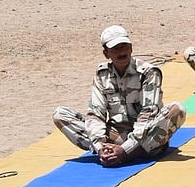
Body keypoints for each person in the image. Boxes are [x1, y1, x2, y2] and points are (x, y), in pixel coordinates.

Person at [53, 25, 186, 166]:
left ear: (131, 49)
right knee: (60, 114)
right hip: (114, 136)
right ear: (106, 54)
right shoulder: (102, 75)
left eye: (124, 47)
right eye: (116, 49)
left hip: (145, 137)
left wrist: (126, 150)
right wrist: (100, 146)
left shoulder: (148, 73)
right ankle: (108, 152)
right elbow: (95, 114)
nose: (122, 52)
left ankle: (132, 153)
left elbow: (149, 113)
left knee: (177, 109)